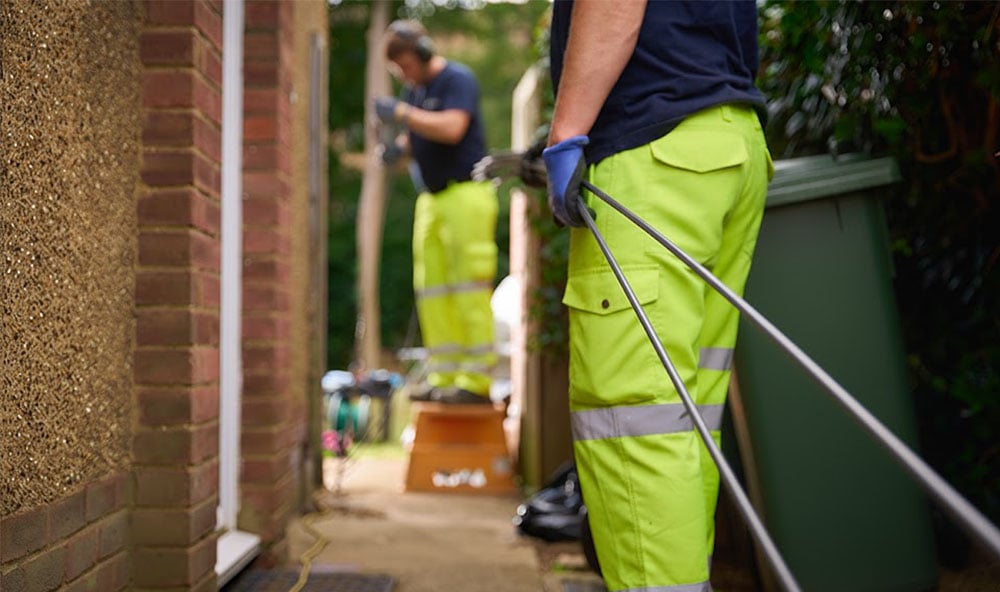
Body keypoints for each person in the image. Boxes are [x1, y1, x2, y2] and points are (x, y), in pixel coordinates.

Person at [542, 1, 774, 590]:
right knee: (683, 416)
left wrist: (566, 132)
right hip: (727, 142)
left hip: (653, 155)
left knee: (634, 419)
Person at [374, 20, 498, 405]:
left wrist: (402, 113)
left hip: (466, 195)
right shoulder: (415, 91)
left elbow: (452, 127)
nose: (403, 75)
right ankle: (444, 375)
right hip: (430, 200)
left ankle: (475, 382)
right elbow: (418, 135)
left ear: (424, 52)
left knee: (468, 288)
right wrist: (399, 149)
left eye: (405, 66)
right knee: (433, 292)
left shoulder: (457, 80)